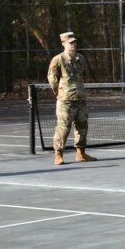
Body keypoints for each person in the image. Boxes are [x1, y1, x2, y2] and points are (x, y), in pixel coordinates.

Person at [47, 31, 97, 165]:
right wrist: (59, 92)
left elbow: (83, 76)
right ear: (63, 43)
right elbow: (52, 78)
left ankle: (81, 153)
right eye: (70, 43)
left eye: (74, 42)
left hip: (80, 98)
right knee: (63, 127)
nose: (73, 45)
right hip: (66, 100)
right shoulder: (58, 59)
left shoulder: (81, 58)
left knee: (82, 126)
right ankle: (58, 154)